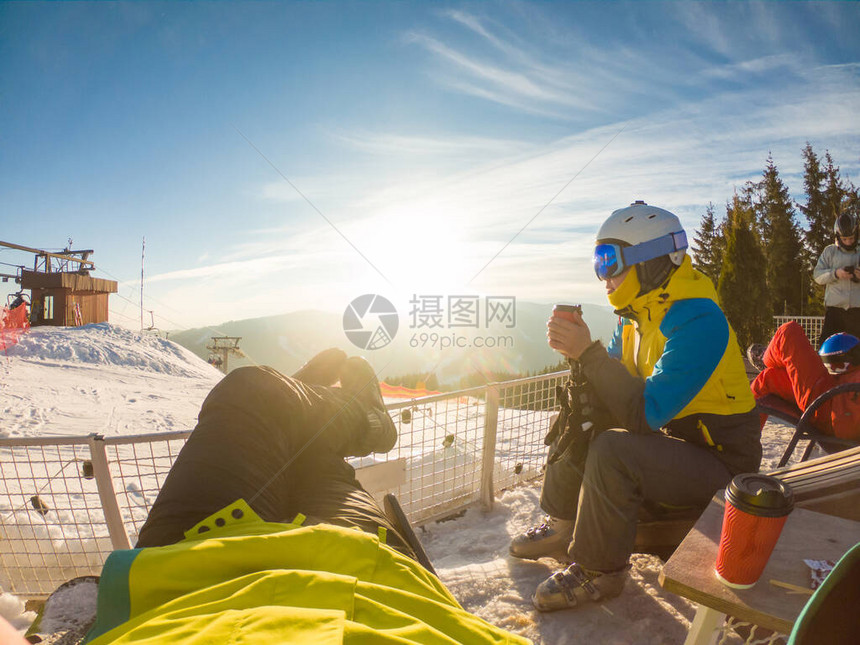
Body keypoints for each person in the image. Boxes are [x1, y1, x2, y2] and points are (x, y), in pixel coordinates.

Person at [83, 350, 530, 644]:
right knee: (305, 442)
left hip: (180, 586)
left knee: (253, 390)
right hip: (368, 582)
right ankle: (347, 417)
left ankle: (307, 408)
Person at [509, 201, 761, 612]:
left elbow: (644, 413)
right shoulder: (635, 318)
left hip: (721, 464)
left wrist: (587, 353)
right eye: (598, 262)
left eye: (611, 261)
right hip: (675, 448)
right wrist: (581, 366)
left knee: (614, 448)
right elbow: (608, 386)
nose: (603, 276)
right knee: (585, 415)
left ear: (652, 259)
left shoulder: (699, 320)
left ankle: (599, 571)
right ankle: (562, 524)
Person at [750, 322, 860, 440]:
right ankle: (744, 443)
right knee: (768, 377)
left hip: (832, 405)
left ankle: (767, 357)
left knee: (788, 331)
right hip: (838, 396)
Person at [813, 211, 860, 346]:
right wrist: (835, 274)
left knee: (856, 352)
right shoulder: (830, 252)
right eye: (844, 239)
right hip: (834, 311)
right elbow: (817, 276)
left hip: (856, 311)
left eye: (851, 238)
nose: (848, 242)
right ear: (838, 237)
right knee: (827, 348)